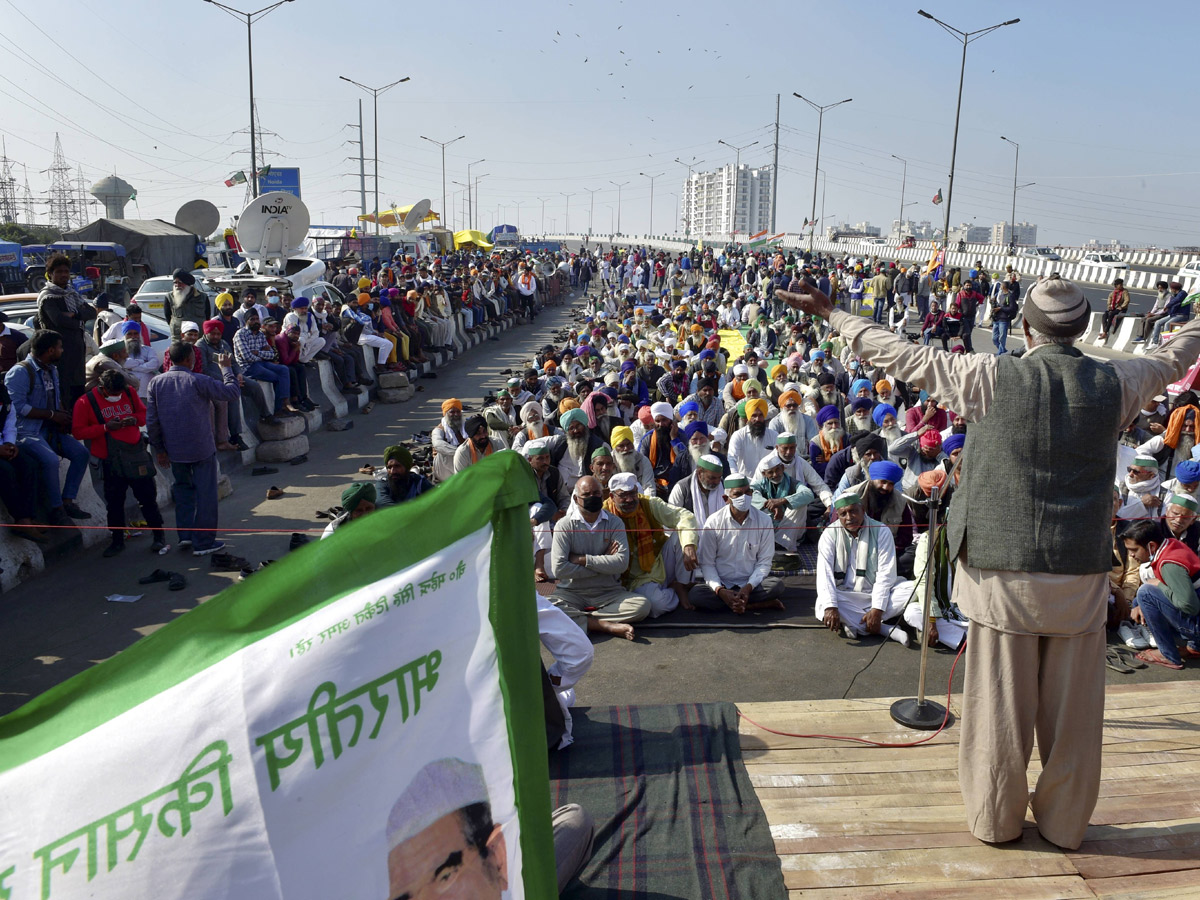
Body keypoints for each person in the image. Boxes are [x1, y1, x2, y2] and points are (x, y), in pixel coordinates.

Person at [776, 273, 1200, 850]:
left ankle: (996, 820)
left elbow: (900, 353)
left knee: (999, 710)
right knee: (1074, 719)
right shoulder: (1118, 379)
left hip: (1002, 576)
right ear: (1085, 328)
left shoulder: (987, 375)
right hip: (1079, 577)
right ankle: (1065, 824)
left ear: (1024, 328)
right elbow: (1175, 354)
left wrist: (834, 313)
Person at [146, 340, 241, 557]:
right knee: (206, 495)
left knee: (183, 492)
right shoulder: (198, 380)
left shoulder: (156, 383)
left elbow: (152, 421)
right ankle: (204, 541)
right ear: (191, 359)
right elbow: (232, 393)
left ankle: (186, 535)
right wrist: (226, 368)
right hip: (201, 448)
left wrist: (159, 449)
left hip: (174, 451)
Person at [71, 368, 166, 557]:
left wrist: (133, 420)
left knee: (147, 498)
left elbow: (143, 414)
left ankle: (159, 536)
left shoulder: (129, 392)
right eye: (113, 394)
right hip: (110, 460)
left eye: (119, 393)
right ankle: (117, 541)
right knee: (114, 503)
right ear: (102, 388)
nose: (117, 396)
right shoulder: (85, 402)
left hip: (135, 456)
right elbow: (78, 432)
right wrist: (105, 427)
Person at [4, 330, 92, 524]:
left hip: (51, 429)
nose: (62, 351)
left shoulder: (51, 369)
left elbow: (55, 397)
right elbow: (17, 408)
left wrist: (63, 417)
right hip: (26, 431)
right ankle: (56, 509)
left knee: (81, 453)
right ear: (50, 350)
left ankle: (68, 500)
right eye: (60, 347)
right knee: (51, 460)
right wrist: (52, 415)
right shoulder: (20, 372)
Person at [549, 475, 650, 639]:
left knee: (642, 606)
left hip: (608, 592)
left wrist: (584, 560)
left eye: (596, 493)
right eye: (586, 495)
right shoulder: (565, 525)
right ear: (576, 499)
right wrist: (604, 562)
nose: (592, 498)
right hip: (572, 593)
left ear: (602, 495)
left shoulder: (615, 523)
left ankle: (581, 620)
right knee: (546, 607)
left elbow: (621, 564)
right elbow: (560, 569)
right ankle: (604, 625)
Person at [815, 493, 913, 646]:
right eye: (843, 514)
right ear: (838, 516)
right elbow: (824, 574)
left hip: (875, 593)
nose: (849, 517)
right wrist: (831, 606)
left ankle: (853, 623)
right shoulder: (829, 534)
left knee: (912, 589)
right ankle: (884, 629)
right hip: (844, 594)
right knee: (824, 603)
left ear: (863, 509)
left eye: (853, 511)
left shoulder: (881, 530)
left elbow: (886, 575)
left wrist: (877, 609)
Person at [603, 471, 700, 617]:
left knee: (683, 537)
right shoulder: (604, 514)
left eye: (633, 493)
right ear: (612, 496)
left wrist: (689, 546)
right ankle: (671, 591)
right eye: (623, 495)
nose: (630, 500)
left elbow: (685, 517)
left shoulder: (648, 504)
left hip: (658, 563)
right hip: (630, 578)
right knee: (656, 606)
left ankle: (681, 585)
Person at [690, 474, 785, 613]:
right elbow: (707, 564)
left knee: (776, 586)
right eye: (738, 494)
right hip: (723, 583)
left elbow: (764, 563)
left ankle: (736, 603)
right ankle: (750, 605)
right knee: (696, 595)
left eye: (747, 492)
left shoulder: (764, 520)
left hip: (751, 585)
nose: (744, 497)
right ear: (726, 499)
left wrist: (748, 587)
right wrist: (720, 590)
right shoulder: (713, 522)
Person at [1124, 516, 1200, 669]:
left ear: (1151, 546)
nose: (1131, 555)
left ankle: (1168, 655)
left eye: (1134, 550)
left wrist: (1159, 585)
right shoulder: (1172, 545)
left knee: (1145, 592)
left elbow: (1190, 606)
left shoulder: (1170, 564)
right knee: (1143, 595)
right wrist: (1137, 603)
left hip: (1196, 621)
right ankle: (1195, 646)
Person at [36, 254, 90, 406]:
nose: (63, 275)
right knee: (63, 399)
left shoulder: (73, 294)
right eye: (59, 272)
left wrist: (75, 314)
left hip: (77, 356)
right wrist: (78, 319)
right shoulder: (48, 297)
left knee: (79, 398)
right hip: (58, 358)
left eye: (66, 271)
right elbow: (59, 320)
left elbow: (91, 312)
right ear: (51, 274)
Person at [233, 310, 292, 421]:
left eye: (257, 319)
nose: (255, 321)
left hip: (261, 363)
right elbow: (247, 357)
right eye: (252, 319)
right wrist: (262, 355)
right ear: (247, 321)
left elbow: (272, 354)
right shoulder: (240, 334)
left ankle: (285, 402)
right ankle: (278, 409)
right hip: (248, 367)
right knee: (277, 377)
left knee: (283, 369)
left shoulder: (260, 334)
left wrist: (258, 353)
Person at [163, 268, 210, 339]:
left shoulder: (202, 297)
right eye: (175, 282)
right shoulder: (169, 297)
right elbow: (168, 316)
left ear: (188, 284)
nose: (177, 285)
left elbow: (207, 316)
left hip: (198, 337)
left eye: (180, 282)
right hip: (178, 337)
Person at [431, 399, 467, 484]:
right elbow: (438, 444)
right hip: (445, 467)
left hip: (464, 464)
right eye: (452, 412)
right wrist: (460, 452)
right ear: (446, 414)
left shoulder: (465, 427)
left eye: (458, 412)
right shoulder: (439, 430)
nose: (456, 414)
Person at [1097, 278, 1130, 342]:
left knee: (1111, 314)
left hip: (1121, 309)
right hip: (1114, 308)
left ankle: (1105, 332)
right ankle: (1105, 331)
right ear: (1116, 286)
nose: (1121, 286)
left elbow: (1127, 300)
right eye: (1120, 285)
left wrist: (1122, 306)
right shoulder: (1114, 292)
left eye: (1121, 284)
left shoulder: (1124, 292)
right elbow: (1109, 298)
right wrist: (1109, 306)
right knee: (1105, 315)